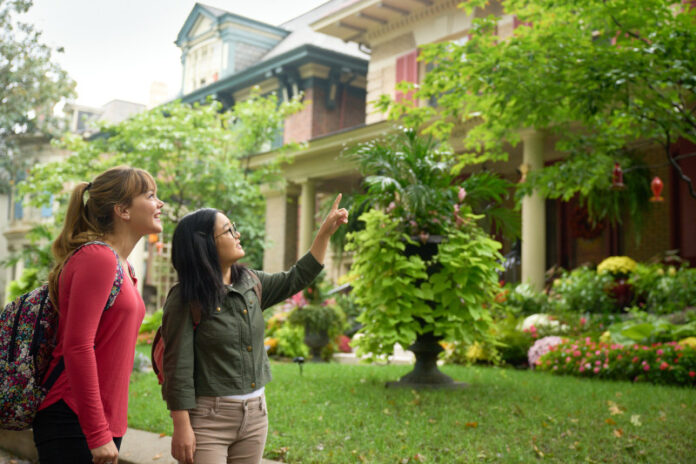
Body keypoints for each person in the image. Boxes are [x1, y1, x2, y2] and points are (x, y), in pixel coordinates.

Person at [161, 194, 349, 464]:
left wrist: (324, 234)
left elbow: (296, 277)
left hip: (255, 415)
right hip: (208, 419)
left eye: (233, 227)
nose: (237, 235)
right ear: (204, 245)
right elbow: (177, 367)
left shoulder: (251, 282)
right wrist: (181, 426)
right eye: (228, 231)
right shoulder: (185, 298)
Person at [32, 166, 164, 464]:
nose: (160, 204)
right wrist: (97, 433)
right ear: (123, 211)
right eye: (151, 195)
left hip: (96, 421)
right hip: (73, 419)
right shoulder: (98, 258)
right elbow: (78, 346)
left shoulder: (122, 266)